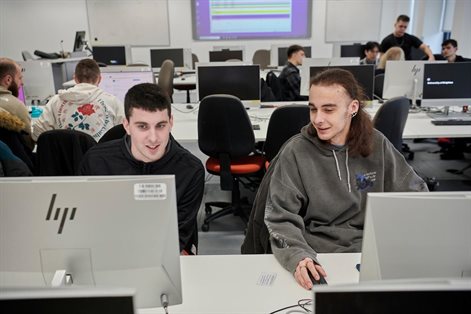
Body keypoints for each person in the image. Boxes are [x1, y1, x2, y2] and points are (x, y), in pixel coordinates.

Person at [264, 69, 428, 290]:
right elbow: (280, 218)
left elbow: (415, 195)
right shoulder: (296, 152)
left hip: (371, 251)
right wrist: (298, 256)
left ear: (352, 108)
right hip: (319, 255)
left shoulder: (376, 143)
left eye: (328, 109)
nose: (318, 119)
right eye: (313, 109)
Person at [79, 83, 205, 255]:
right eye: (142, 126)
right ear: (127, 125)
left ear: (171, 122)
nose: (153, 138)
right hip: (108, 252)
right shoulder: (96, 161)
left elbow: (178, 237)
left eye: (160, 125)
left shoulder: (190, 170)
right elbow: (85, 225)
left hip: (162, 254)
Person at [32, 59, 124, 142]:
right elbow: (126, 133)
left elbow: (37, 134)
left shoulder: (55, 101)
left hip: (65, 159)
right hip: (100, 159)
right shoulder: (112, 102)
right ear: (99, 79)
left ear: (75, 78)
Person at [0, 58, 32, 146]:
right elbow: (29, 144)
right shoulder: (16, 106)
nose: (22, 83)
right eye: (20, 78)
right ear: (8, 80)